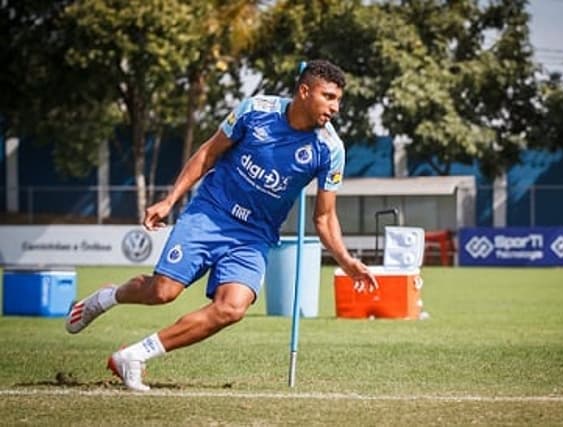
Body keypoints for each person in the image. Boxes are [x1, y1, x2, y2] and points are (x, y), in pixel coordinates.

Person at [65, 59, 378, 392]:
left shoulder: (330, 149)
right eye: (329, 97)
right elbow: (207, 154)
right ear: (304, 91)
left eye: (338, 100)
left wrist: (347, 261)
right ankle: (106, 298)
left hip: (254, 235)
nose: (336, 108)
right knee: (162, 292)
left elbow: (324, 217)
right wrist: (169, 201)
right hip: (210, 213)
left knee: (232, 308)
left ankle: (133, 356)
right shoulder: (255, 110)